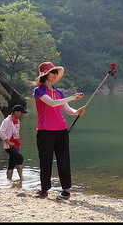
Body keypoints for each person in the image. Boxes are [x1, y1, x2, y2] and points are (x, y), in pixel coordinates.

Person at [33, 61, 85, 200]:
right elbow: (52, 103)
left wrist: (76, 112)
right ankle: (44, 190)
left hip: (61, 130)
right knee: (45, 160)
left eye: (56, 72)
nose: (56, 74)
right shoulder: (39, 91)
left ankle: (66, 190)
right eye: (53, 72)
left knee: (63, 159)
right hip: (45, 130)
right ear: (45, 74)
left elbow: (67, 109)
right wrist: (73, 97)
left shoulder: (59, 92)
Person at [0, 104, 28, 180]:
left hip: (16, 144)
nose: (21, 114)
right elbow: (1, 132)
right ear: (16, 112)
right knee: (19, 157)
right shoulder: (7, 121)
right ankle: (21, 178)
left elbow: (16, 133)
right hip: (10, 146)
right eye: (21, 112)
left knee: (12, 162)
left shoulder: (17, 121)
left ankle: (9, 180)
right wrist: (8, 142)